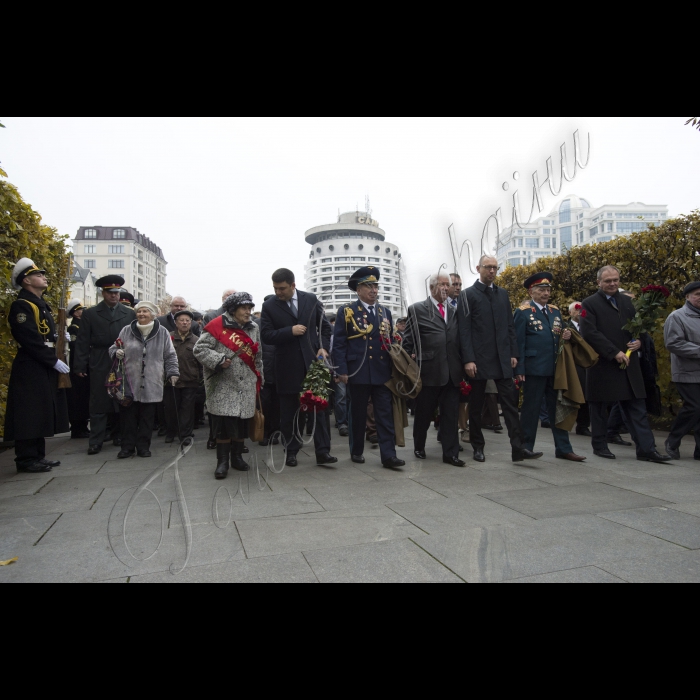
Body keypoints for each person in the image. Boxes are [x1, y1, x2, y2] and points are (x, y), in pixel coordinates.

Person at [580, 266, 670, 464]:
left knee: (636, 408)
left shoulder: (629, 302)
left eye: (615, 280)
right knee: (599, 408)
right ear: (598, 283)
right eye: (608, 281)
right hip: (603, 365)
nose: (612, 283)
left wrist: (639, 342)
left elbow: (640, 328)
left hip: (629, 365)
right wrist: (614, 352)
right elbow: (589, 333)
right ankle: (600, 445)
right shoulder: (589, 304)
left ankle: (647, 449)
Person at [459, 256, 531, 463]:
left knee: (510, 405)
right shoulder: (468, 295)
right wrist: (468, 359)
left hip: (502, 360)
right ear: (478, 268)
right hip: (479, 360)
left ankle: (518, 448)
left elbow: (509, 327)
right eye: (488, 267)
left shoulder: (503, 294)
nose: (492, 271)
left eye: (495, 268)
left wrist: (513, 354)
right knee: (476, 405)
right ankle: (477, 446)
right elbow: (464, 331)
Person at [333, 266, 406, 470]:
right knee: (357, 414)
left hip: (381, 371)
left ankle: (388, 455)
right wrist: (342, 370)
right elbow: (339, 343)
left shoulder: (385, 312)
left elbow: (389, 341)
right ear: (358, 289)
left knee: (384, 413)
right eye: (369, 286)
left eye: (375, 286)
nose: (374, 290)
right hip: (358, 371)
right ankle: (356, 450)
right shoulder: (347, 311)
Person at [261, 269, 335, 468]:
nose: (278, 292)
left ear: (293, 285)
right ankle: (291, 450)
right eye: (275, 288)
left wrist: (323, 347)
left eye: (282, 288)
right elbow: (266, 335)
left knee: (318, 410)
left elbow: (325, 328)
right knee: (290, 412)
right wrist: (289, 331)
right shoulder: (269, 306)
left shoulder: (310, 299)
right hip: (287, 367)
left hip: (313, 365)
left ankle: (323, 452)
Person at [4, 258, 70, 473]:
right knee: (28, 413)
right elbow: (30, 339)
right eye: (38, 275)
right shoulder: (22, 306)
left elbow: (46, 335)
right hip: (30, 366)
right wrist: (53, 360)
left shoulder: (39, 305)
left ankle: (37, 456)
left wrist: (61, 337)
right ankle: (26, 459)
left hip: (41, 364)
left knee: (40, 411)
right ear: (26, 281)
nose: (44, 277)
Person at [514, 273, 586, 463]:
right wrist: (519, 369)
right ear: (532, 291)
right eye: (541, 290)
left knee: (558, 409)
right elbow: (518, 342)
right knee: (531, 410)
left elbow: (559, 333)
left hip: (555, 369)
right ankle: (525, 448)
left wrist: (566, 334)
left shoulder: (555, 311)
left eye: (548, 290)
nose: (546, 293)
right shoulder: (522, 312)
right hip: (533, 369)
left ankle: (563, 448)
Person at [195, 293, 263, 480]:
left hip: (247, 382)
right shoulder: (217, 325)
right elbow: (199, 349)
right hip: (223, 383)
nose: (248, 312)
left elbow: (258, 355)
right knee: (223, 426)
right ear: (233, 310)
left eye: (250, 308)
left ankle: (237, 458)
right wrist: (218, 359)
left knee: (241, 424)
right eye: (244, 308)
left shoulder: (254, 327)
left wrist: (259, 378)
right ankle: (222, 462)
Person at [404, 272, 466, 467]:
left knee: (450, 415)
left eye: (448, 285)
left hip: (452, 372)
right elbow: (407, 342)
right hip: (428, 372)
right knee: (424, 413)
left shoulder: (455, 310)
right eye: (442, 285)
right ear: (432, 288)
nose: (447, 288)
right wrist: (410, 368)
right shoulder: (417, 310)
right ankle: (419, 446)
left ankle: (450, 454)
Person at [74, 275, 136, 455]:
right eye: (110, 292)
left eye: (117, 292)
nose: (114, 296)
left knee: (122, 398)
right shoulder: (90, 313)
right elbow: (83, 341)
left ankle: (119, 435)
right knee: (99, 401)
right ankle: (96, 440)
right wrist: (80, 365)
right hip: (100, 359)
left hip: (123, 358)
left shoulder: (129, 313)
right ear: (103, 293)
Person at [110, 301, 179, 459]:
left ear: (153, 315)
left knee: (147, 418)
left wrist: (173, 372)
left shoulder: (161, 332)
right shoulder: (127, 330)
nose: (141, 314)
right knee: (128, 417)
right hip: (129, 381)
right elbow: (113, 347)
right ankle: (127, 447)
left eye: (145, 311)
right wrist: (117, 352)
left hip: (152, 381)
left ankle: (143, 447)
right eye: (139, 311)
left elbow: (170, 355)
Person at [664, 282, 700, 460]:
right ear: (687, 297)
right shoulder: (677, 317)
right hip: (687, 372)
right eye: (697, 294)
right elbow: (673, 343)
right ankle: (673, 440)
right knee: (694, 407)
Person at [164, 310, 200, 444]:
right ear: (176, 322)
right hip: (170, 381)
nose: (185, 323)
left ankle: (185, 434)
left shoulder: (196, 340)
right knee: (171, 408)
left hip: (190, 380)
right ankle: (171, 432)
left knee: (187, 409)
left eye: (187, 321)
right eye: (182, 320)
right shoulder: (168, 337)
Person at [254, 297, 281, 447]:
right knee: (263, 404)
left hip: (278, 370)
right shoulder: (256, 325)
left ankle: (274, 432)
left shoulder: (281, 321)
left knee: (277, 404)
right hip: (263, 371)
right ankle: (263, 433)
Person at [567, 302, 592, 437]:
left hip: (588, 365)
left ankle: (583, 425)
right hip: (574, 365)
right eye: (576, 310)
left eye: (581, 309)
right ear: (570, 313)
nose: (579, 312)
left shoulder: (589, 326)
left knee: (587, 395)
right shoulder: (566, 327)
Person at [66, 299, 90, 439]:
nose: (83, 311)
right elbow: (76, 348)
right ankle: (77, 428)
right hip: (78, 368)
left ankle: (82, 427)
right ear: (75, 313)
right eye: (81, 309)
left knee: (83, 398)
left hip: (84, 366)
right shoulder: (74, 328)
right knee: (78, 398)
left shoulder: (82, 326)